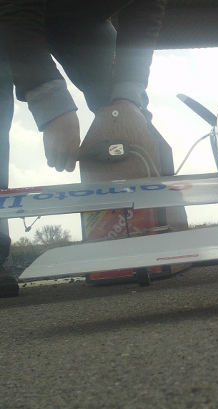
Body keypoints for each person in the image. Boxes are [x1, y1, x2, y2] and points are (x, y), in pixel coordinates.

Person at [0, 0, 168, 297]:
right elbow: (15, 11)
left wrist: (127, 98)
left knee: (130, 116)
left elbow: (145, 12)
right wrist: (52, 106)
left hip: (80, 18)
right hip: (11, 9)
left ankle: (161, 231)